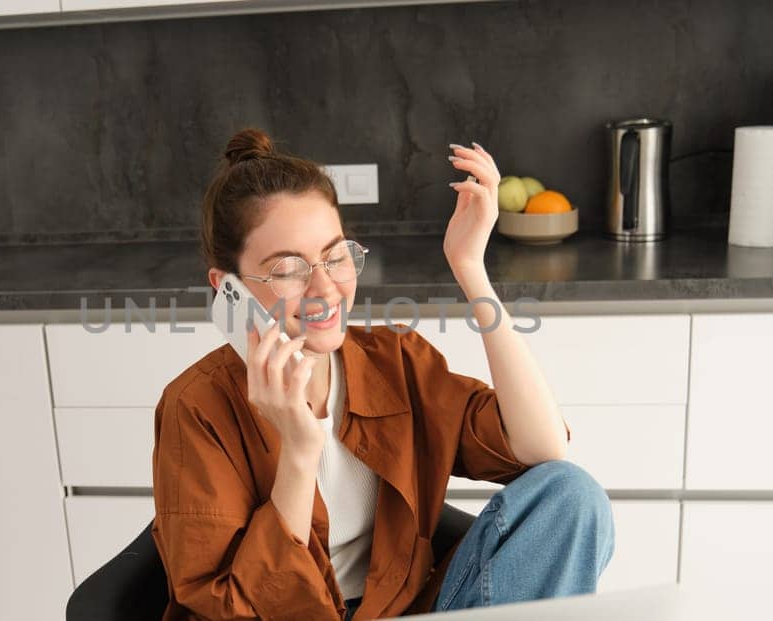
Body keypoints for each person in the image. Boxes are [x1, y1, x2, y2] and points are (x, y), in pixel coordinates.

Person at [150, 128, 614, 621]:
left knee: (572, 493)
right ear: (229, 289)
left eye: (334, 256)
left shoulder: (393, 360)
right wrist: (300, 452)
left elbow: (541, 447)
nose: (325, 289)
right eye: (289, 268)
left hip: (404, 610)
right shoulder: (196, 408)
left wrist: (470, 267)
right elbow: (226, 610)